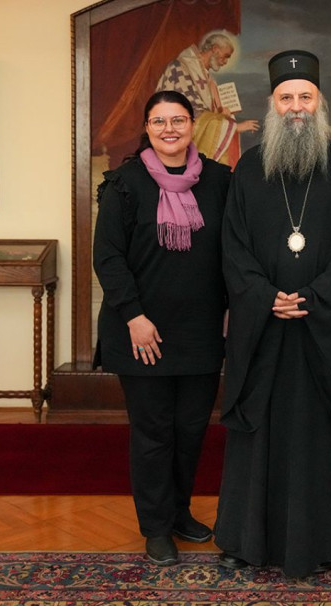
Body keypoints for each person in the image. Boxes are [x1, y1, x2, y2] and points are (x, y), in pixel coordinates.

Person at [213, 50, 331, 578]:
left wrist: (315, 298)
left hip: (323, 328)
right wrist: (264, 297)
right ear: (272, 104)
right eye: (287, 98)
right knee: (259, 434)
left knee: (318, 434)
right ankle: (247, 538)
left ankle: (329, 540)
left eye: (305, 96)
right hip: (265, 328)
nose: (296, 106)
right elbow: (233, 246)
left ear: (319, 102)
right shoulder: (249, 167)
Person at [92, 90, 231, 567]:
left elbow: (234, 250)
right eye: (159, 121)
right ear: (147, 128)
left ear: (193, 124)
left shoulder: (219, 181)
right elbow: (108, 258)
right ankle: (155, 528)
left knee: (190, 431)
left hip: (200, 332)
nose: (169, 129)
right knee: (154, 433)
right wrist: (134, 316)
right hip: (140, 333)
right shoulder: (124, 183)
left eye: (178, 120)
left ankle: (178, 513)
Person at [155, 30, 259, 165]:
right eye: (225, 56)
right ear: (215, 49)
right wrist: (234, 127)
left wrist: (222, 113)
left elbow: (207, 112)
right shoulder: (181, 68)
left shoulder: (208, 77)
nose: (225, 62)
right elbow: (192, 112)